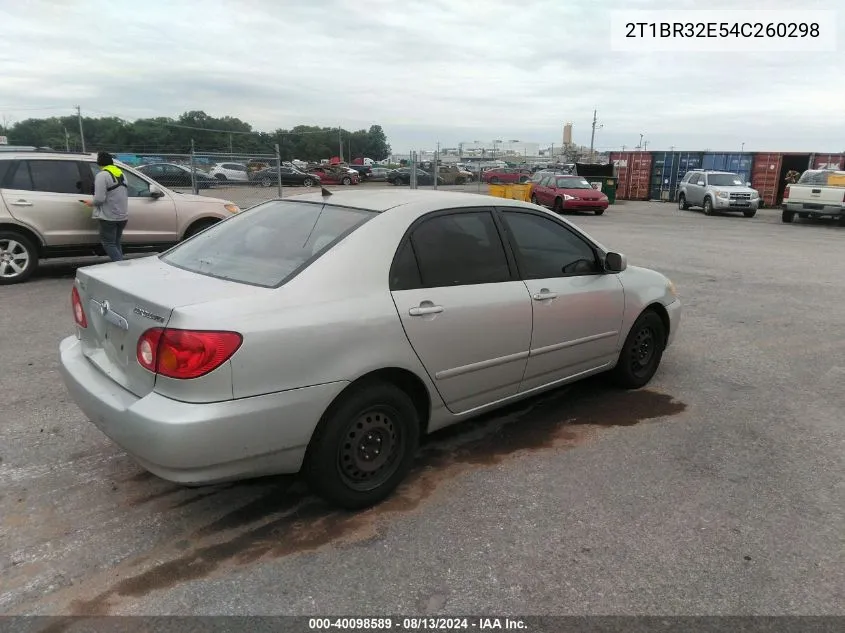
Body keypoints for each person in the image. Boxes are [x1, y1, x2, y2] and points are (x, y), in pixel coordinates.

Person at [89, 151, 129, 261]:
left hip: (109, 216)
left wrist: (90, 203)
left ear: (99, 162)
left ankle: (120, 267)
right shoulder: (121, 174)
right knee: (116, 243)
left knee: (108, 243)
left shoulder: (102, 175)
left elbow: (99, 199)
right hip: (122, 216)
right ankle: (120, 265)